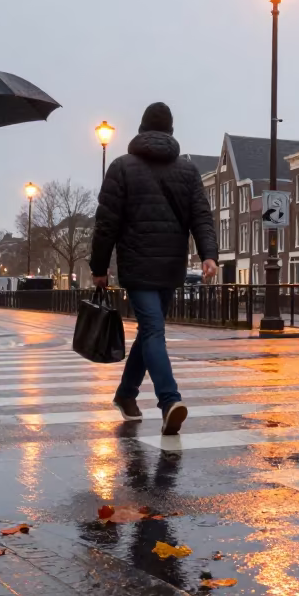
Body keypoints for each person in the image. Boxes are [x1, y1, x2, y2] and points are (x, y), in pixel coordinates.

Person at [90, 102, 218, 435]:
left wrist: (99, 267)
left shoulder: (121, 167)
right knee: (152, 330)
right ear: (170, 131)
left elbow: (106, 223)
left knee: (150, 332)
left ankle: (126, 395)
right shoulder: (187, 171)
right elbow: (201, 217)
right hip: (171, 265)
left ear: (142, 129)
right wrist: (209, 255)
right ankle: (168, 400)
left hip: (135, 264)